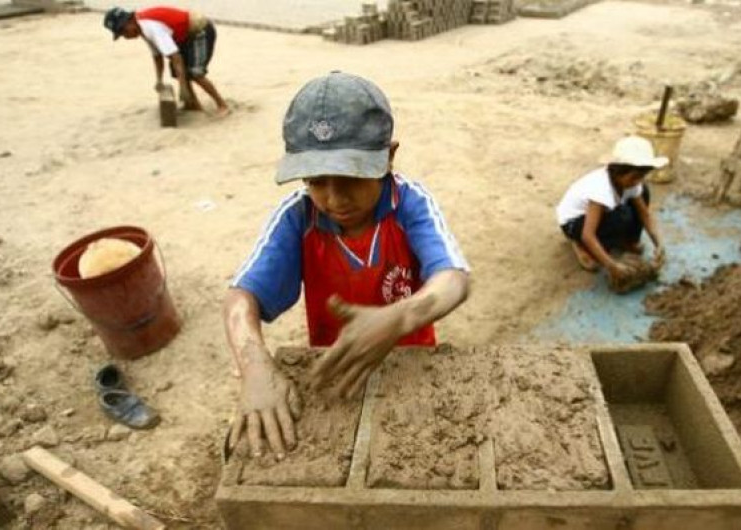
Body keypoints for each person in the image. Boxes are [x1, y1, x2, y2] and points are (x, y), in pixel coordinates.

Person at [223, 72, 470, 459]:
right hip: (336, 370)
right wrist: (255, 367)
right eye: (316, 181)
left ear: (389, 156)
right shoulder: (297, 219)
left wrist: (400, 318)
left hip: (412, 362)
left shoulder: (410, 204)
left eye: (350, 177)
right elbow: (241, 298)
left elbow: (454, 279)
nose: (334, 198)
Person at [556, 135, 667, 280]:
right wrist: (612, 266)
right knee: (621, 217)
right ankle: (580, 246)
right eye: (634, 177)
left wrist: (659, 243)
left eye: (641, 176)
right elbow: (588, 235)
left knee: (643, 192)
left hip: (599, 214)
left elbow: (644, 214)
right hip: (574, 222)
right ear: (617, 171)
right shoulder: (601, 190)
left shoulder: (631, 182)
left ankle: (629, 240)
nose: (637, 181)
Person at [103, 6, 229, 116]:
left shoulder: (150, 27)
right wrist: (159, 80)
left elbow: (176, 57)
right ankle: (193, 105)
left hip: (200, 30)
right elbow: (157, 57)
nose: (126, 37)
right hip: (184, 36)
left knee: (195, 72)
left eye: (124, 31)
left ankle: (222, 105)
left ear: (129, 21)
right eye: (122, 35)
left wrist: (183, 87)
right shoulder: (141, 28)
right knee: (176, 71)